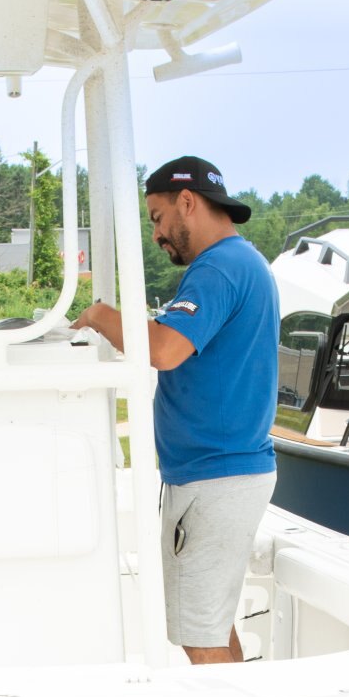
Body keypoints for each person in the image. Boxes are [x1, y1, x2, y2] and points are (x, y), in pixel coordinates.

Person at [72, 155, 277, 664]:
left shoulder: (219, 267)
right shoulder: (245, 262)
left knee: (200, 637)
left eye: (158, 218)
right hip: (224, 473)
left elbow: (164, 350)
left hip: (215, 478)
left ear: (188, 202)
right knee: (211, 624)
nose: (158, 235)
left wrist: (101, 316)